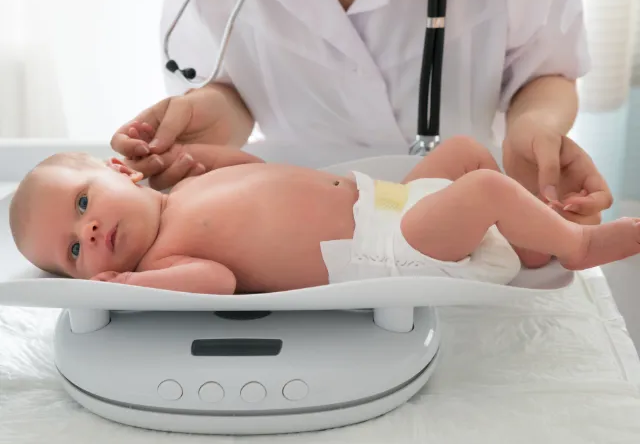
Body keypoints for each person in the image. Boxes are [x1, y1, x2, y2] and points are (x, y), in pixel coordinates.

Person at [110, 0, 612, 269]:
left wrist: (536, 126)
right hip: (310, 240)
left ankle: (560, 240)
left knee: (489, 196)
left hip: (435, 202)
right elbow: (229, 83)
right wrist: (211, 114)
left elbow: (545, 70)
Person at [8, 137, 638, 295]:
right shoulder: (164, 257)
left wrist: (194, 156)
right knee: (484, 189)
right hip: (387, 247)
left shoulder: (192, 187)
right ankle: (576, 246)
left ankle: (532, 243)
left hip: (385, 199)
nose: (87, 232)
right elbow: (217, 282)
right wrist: (132, 283)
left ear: (121, 171)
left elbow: (255, 169)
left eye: (83, 204)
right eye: (71, 252)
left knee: (465, 154)